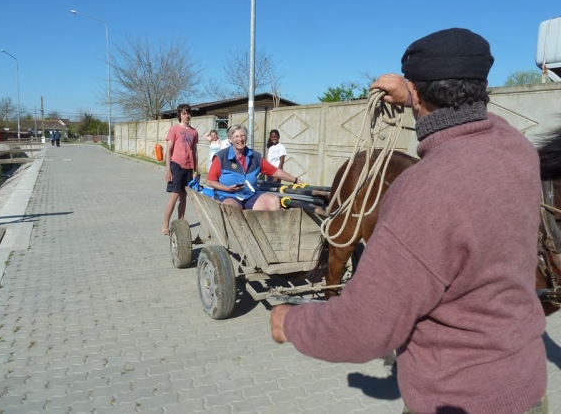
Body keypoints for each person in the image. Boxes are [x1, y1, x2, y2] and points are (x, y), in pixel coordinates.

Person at [270, 28, 547, 414]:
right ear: (483, 87)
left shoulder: (423, 190)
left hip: (455, 400)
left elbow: (361, 330)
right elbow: (484, 121)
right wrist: (415, 95)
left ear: (415, 92)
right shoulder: (517, 151)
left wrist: (291, 322)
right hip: (527, 389)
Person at [206, 124, 302, 210]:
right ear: (230, 139)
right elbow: (210, 181)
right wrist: (227, 188)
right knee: (231, 208)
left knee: (274, 201)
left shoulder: (255, 157)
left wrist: (296, 180)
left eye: (243, 135)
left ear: (246, 137)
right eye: (236, 136)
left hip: (251, 195)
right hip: (229, 196)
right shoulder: (221, 157)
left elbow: (275, 172)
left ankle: (266, 228)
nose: (240, 139)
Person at [162, 104, 199, 236]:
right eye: (184, 113)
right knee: (175, 195)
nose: (187, 115)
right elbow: (168, 151)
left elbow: (195, 151)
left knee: (184, 197)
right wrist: (168, 170)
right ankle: (166, 223)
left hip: (189, 167)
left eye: (188, 113)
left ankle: (180, 223)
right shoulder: (174, 130)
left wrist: (196, 169)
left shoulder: (194, 132)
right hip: (176, 165)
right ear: (180, 115)